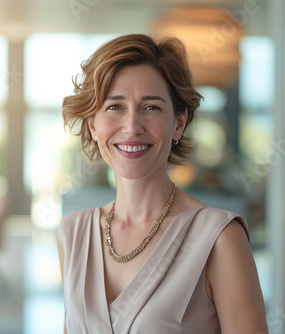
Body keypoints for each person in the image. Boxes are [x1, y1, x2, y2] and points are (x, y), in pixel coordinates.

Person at [57, 34, 268, 334]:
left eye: (151, 107)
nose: (132, 126)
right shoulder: (72, 233)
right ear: (93, 125)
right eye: (115, 107)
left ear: (179, 123)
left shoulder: (219, 238)